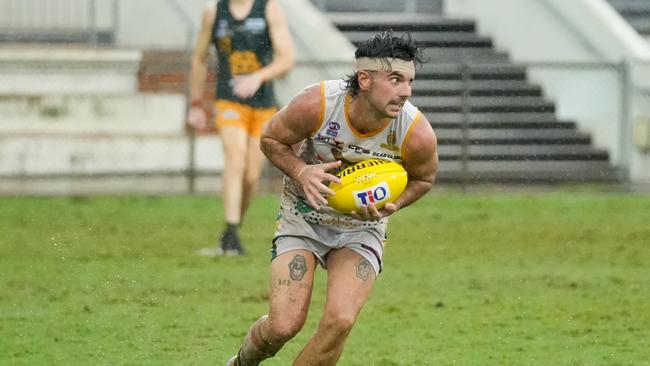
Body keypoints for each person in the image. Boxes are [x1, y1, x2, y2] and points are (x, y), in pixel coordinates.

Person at [225, 31, 439, 365]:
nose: (405, 92)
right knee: (283, 326)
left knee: (339, 321)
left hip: (360, 230)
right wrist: (300, 171)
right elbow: (270, 139)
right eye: (395, 79)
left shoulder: (415, 131)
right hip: (304, 217)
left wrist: (393, 204)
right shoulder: (319, 103)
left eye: (410, 81)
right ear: (365, 79)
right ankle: (241, 362)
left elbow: (424, 178)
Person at [187, 0, 295, 256]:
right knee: (234, 159)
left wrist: (259, 76)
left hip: (264, 105)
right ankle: (232, 232)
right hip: (229, 100)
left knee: (251, 175)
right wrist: (195, 104)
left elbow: (287, 58)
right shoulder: (213, 13)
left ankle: (232, 228)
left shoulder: (269, 9)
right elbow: (199, 59)